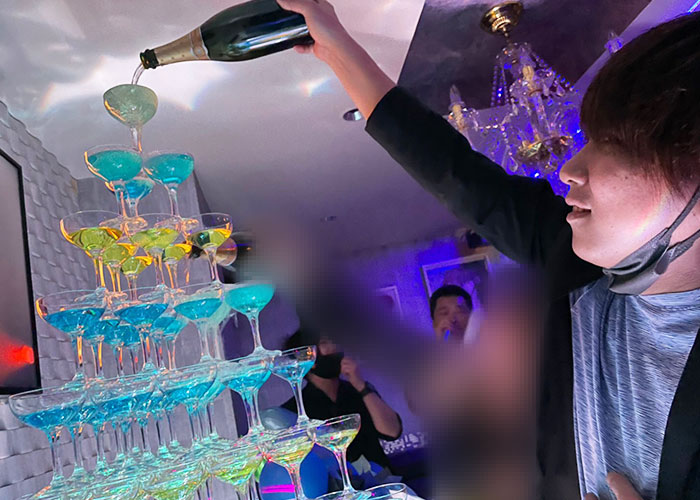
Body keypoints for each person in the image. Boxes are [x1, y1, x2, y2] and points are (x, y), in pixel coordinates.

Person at [273, 2, 700, 499]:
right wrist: (338, 47)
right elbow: (455, 173)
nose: (569, 169)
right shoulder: (575, 260)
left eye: (617, 146)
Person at [281, 330, 403, 484]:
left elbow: (392, 431)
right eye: (325, 343)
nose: (336, 346)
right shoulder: (295, 410)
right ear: (308, 358)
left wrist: (361, 386)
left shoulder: (358, 391)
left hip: (382, 484)